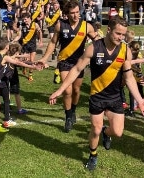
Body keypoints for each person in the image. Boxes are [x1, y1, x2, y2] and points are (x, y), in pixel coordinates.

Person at [48, 16, 144, 171]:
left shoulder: (125, 51)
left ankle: (106, 132)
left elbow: (129, 78)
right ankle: (93, 155)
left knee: (117, 132)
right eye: (118, 34)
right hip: (97, 96)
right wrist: (60, 90)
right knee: (95, 129)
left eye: (123, 35)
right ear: (108, 30)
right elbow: (76, 69)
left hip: (115, 97)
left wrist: (140, 100)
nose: (121, 38)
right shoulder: (93, 48)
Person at [39, 0, 97, 133]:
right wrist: (44, 58)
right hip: (64, 62)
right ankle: (68, 116)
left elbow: (96, 41)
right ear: (67, 13)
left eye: (77, 12)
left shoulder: (87, 26)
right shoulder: (61, 25)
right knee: (67, 90)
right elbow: (53, 43)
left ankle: (73, 110)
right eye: (72, 13)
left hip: (79, 63)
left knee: (76, 90)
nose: (75, 15)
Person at [0, 37, 41, 133]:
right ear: (7, 47)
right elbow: (16, 62)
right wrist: (32, 66)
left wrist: (22, 56)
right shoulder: (5, 57)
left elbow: (13, 58)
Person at [12, 12, 43, 81]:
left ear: (29, 18)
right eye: (23, 20)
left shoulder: (35, 24)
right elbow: (19, 35)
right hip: (24, 45)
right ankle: (24, 67)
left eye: (25, 19)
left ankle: (30, 75)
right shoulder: (22, 26)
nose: (24, 21)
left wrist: (40, 41)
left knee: (32, 60)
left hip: (33, 45)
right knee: (25, 60)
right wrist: (14, 40)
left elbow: (40, 32)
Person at [125, 41, 144, 117]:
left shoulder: (130, 55)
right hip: (140, 75)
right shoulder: (139, 54)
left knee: (132, 93)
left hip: (133, 76)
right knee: (141, 93)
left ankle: (132, 110)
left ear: (131, 48)